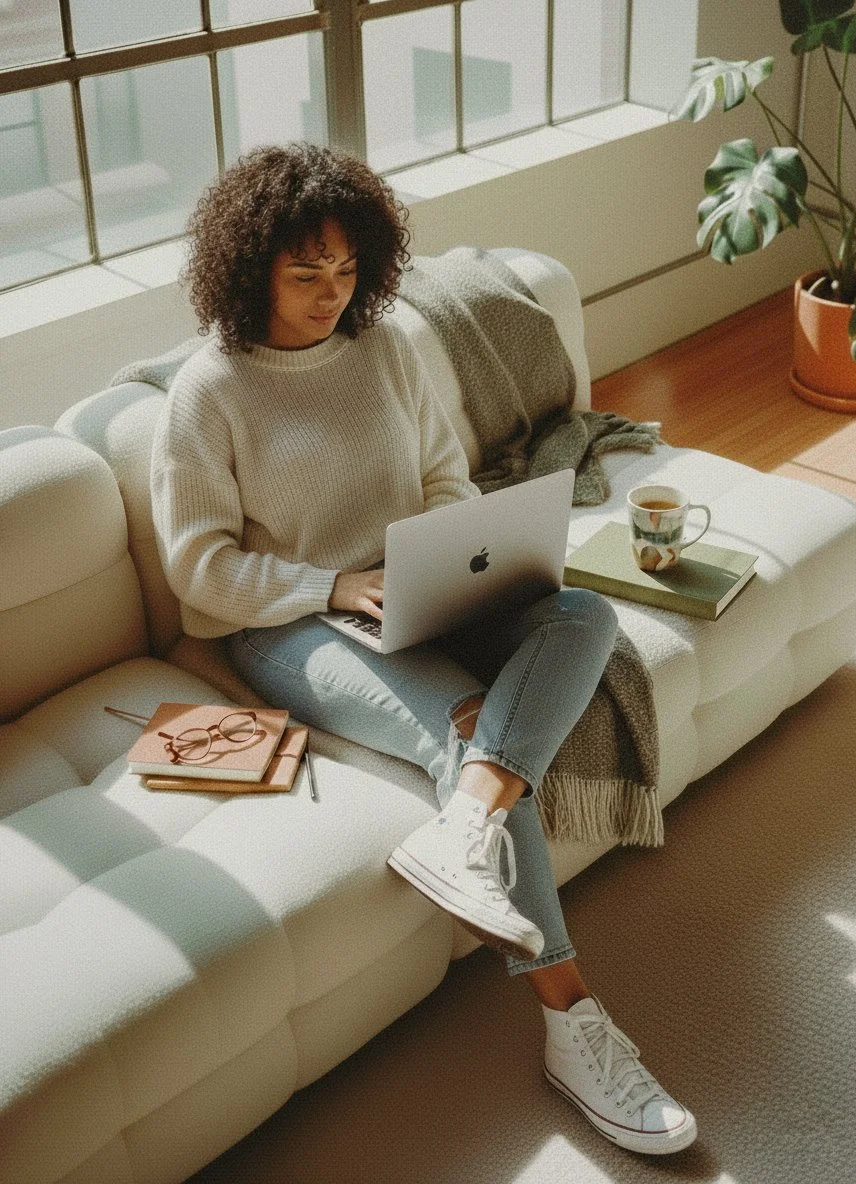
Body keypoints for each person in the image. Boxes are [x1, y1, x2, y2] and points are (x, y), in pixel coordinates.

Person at [150, 142, 697, 1156]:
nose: (332, 293)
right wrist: (331, 584)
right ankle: (573, 1020)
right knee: (465, 727)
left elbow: (446, 475)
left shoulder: (387, 344)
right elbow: (200, 568)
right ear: (249, 265)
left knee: (584, 617)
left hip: (418, 584)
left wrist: (447, 556)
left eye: (349, 268)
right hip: (292, 624)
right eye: (305, 273)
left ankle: (462, 832)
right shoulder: (208, 391)